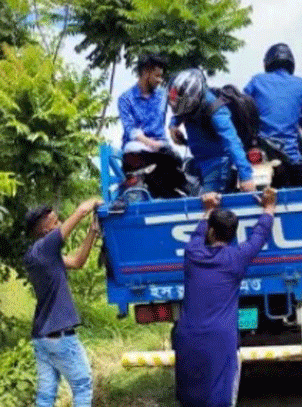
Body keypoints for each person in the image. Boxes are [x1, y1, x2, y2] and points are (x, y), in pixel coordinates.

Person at [173, 188, 276, 407]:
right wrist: (269, 207)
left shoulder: (193, 253)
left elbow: (198, 234)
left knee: (190, 398)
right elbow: (259, 234)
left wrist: (208, 209)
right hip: (220, 339)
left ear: (211, 232)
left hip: (187, 337)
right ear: (234, 235)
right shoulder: (237, 257)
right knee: (220, 397)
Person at [24, 198, 103, 407]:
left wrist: (93, 232)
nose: (59, 224)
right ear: (43, 229)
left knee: (46, 395)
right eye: (55, 222)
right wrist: (97, 202)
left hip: (41, 336)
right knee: (83, 385)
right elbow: (82, 210)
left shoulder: (36, 254)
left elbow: (77, 262)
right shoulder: (45, 247)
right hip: (59, 335)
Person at [167, 69, 256, 193]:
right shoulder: (188, 104)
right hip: (198, 161)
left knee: (206, 206)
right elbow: (180, 113)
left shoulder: (216, 110)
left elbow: (232, 141)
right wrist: (173, 126)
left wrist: (246, 176)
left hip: (217, 164)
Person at [244, 43, 302, 188]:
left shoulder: (256, 81)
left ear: (268, 62)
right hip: (291, 157)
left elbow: (241, 107)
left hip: (260, 153)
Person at [118, 54, 187, 198]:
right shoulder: (125, 99)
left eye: (161, 76)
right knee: (157, 157)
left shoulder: (163, 95)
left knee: (176, 160)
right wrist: (151, 144)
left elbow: (181, 108)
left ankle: (175, 192)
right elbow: (130, 129)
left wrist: (173, 127)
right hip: (138, 147)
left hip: (161, 148)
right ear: (145, 72)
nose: (159, 80)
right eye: (157, 76)